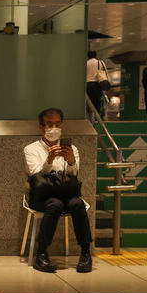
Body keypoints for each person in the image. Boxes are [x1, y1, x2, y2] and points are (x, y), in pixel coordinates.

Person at [23, 108, 92, 273]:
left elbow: (74, 175)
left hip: (66, 194)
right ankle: (41, 254)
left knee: (77, 204)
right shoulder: (31, 149)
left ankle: (85, 253)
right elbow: (35, 175)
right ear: (41, 127)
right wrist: (49, 160)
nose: (54, 128)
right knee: (55, 205)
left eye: (57, 124)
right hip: (43, 195)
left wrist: (71, 161)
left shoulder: (72, 149)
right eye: (49, 124)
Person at [86, 50, 103, 115]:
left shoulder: (86, 64)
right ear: (96, 56)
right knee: (97, 102)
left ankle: (89, 117)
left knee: (89, 103)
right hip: (97, 85)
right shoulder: (100, 62)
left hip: (88, 85)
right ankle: (96, 118)